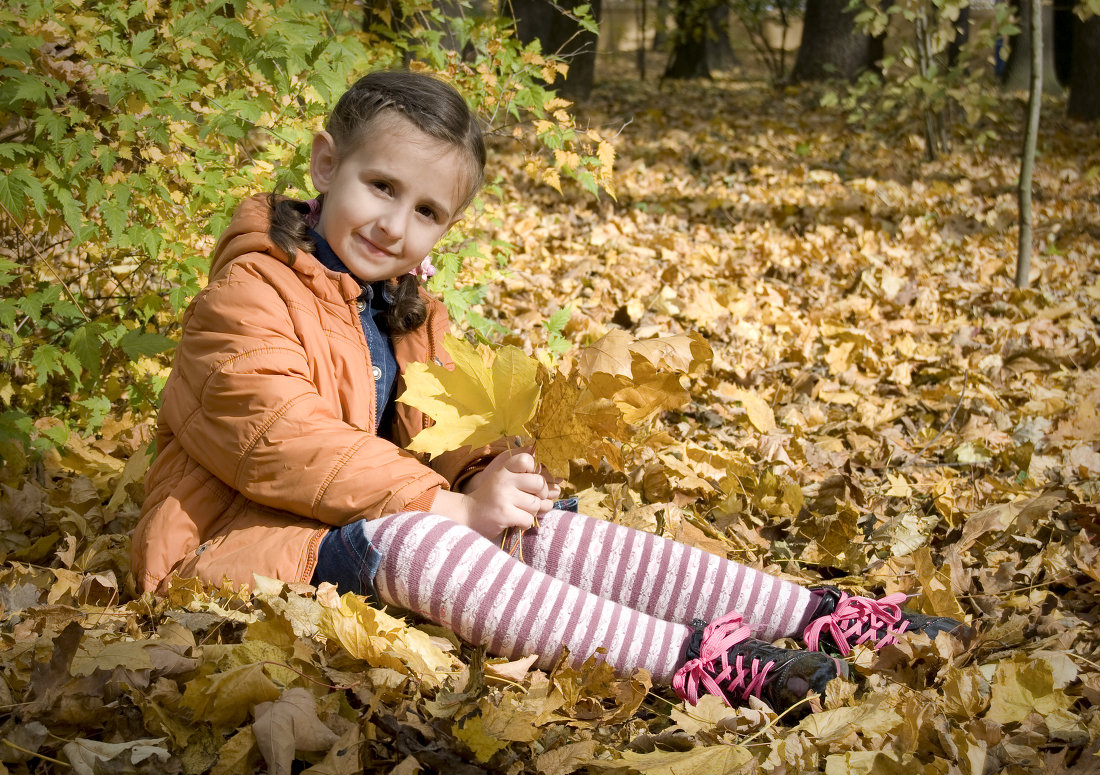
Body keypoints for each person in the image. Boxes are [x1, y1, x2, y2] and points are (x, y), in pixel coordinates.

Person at [132, 71, 968, 721]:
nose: (396, 225)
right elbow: (281, 440)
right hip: (227, 551)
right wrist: (446, 505)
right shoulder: (247, 293)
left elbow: (434, 430)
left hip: (351, 518)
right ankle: (685, 661)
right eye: (380, 187)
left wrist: (492, 473)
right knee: (433, 543)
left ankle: (813, 614)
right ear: (326, 164)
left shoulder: (400, 302)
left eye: (427, 211)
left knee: (538, 526)